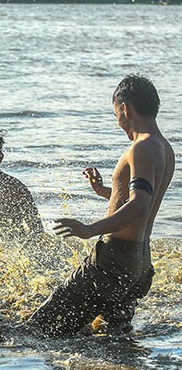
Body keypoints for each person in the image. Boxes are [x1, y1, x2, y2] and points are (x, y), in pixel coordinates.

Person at [28, 75, 174, 336]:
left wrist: (89, 229)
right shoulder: (165, 148)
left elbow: (139, 206)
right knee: (115, 337)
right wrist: (108, 192)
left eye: (116, 114)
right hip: (140, 265)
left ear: (125, 109)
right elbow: (141, 202)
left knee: (41, 328)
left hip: (114, 261)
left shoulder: (140, 148)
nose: (119, 122)